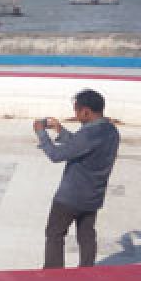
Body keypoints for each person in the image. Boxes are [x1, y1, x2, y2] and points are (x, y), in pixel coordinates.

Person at [33, 88, 120, 268]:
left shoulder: (87, 134)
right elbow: (83, 146)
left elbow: (56, 155)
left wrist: (41, 134)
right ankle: (86, 271)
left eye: (77, 111)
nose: (76, 115)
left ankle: (53, 275)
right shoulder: (111, 130)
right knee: (86, 234)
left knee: (55, 233)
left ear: (86, 111)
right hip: (94, 196)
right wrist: (61, 131)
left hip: (70, 198)